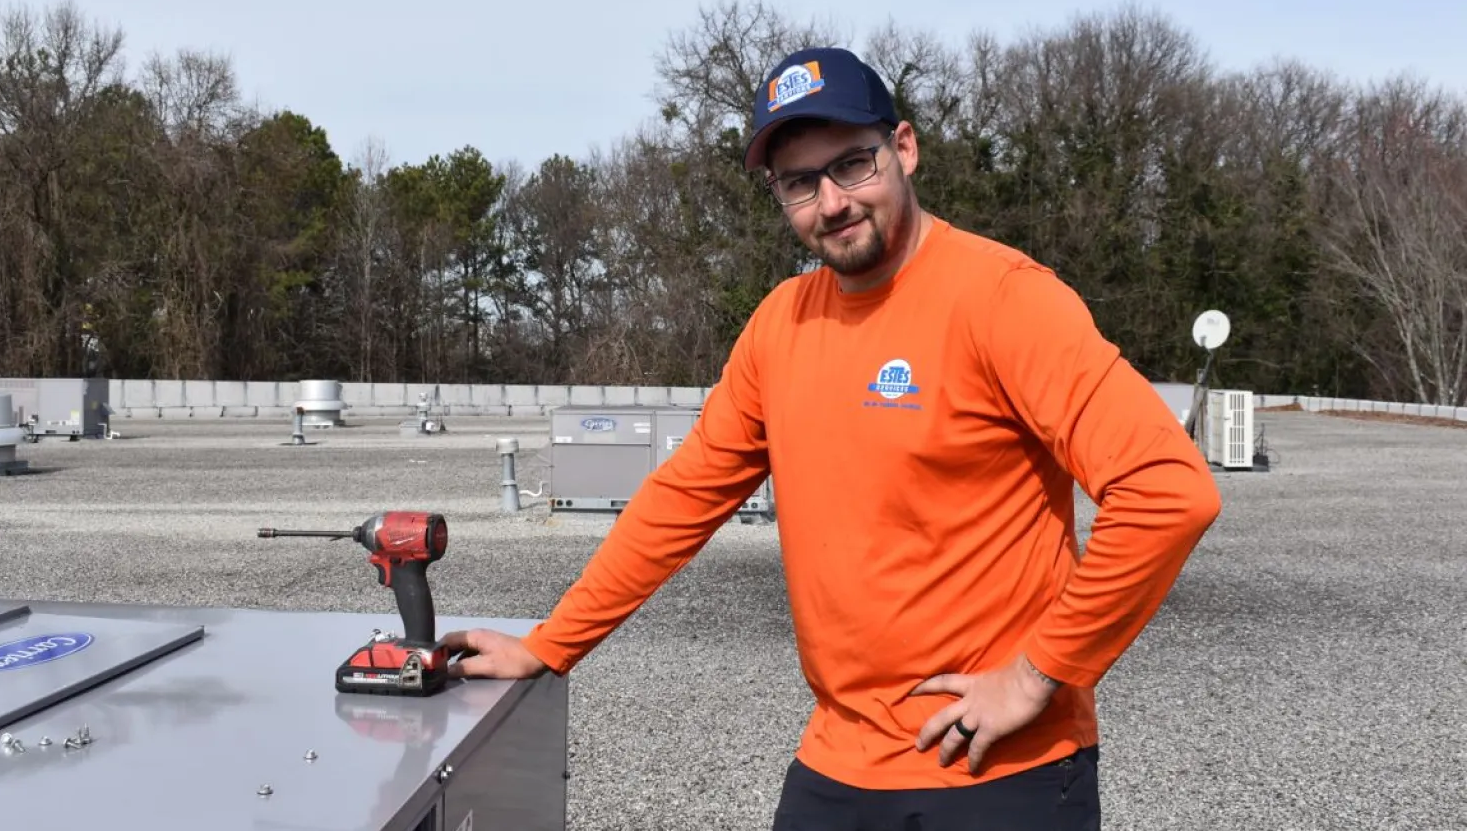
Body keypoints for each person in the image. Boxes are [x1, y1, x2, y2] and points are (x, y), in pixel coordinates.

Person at [442, 46, 1223, 830]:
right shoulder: (781, 324)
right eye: (799, 183)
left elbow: (1167, 492)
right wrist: (550, 645)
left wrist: (1034, 675)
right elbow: (681, 501)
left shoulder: (1002, 299)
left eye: (853, 165)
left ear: (905, 149)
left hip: (998, 770)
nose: (832, 202)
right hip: (838, 765)